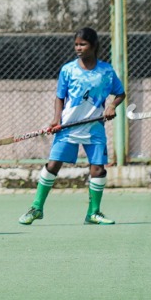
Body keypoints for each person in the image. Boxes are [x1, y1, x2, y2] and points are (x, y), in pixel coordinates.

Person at [19, 27, 125, 227]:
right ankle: (36, 208)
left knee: (98, 170)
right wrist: (56, 119)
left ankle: (94, 213)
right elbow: (60, 97)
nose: (78, 48)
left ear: (93, 46)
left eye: (83, 44)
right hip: (68, 128)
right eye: (76, 44)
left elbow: (120, 93)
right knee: (52, 166)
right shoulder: (68, 70)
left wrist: (111, 105)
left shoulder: (106, 71)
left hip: (94, 129)